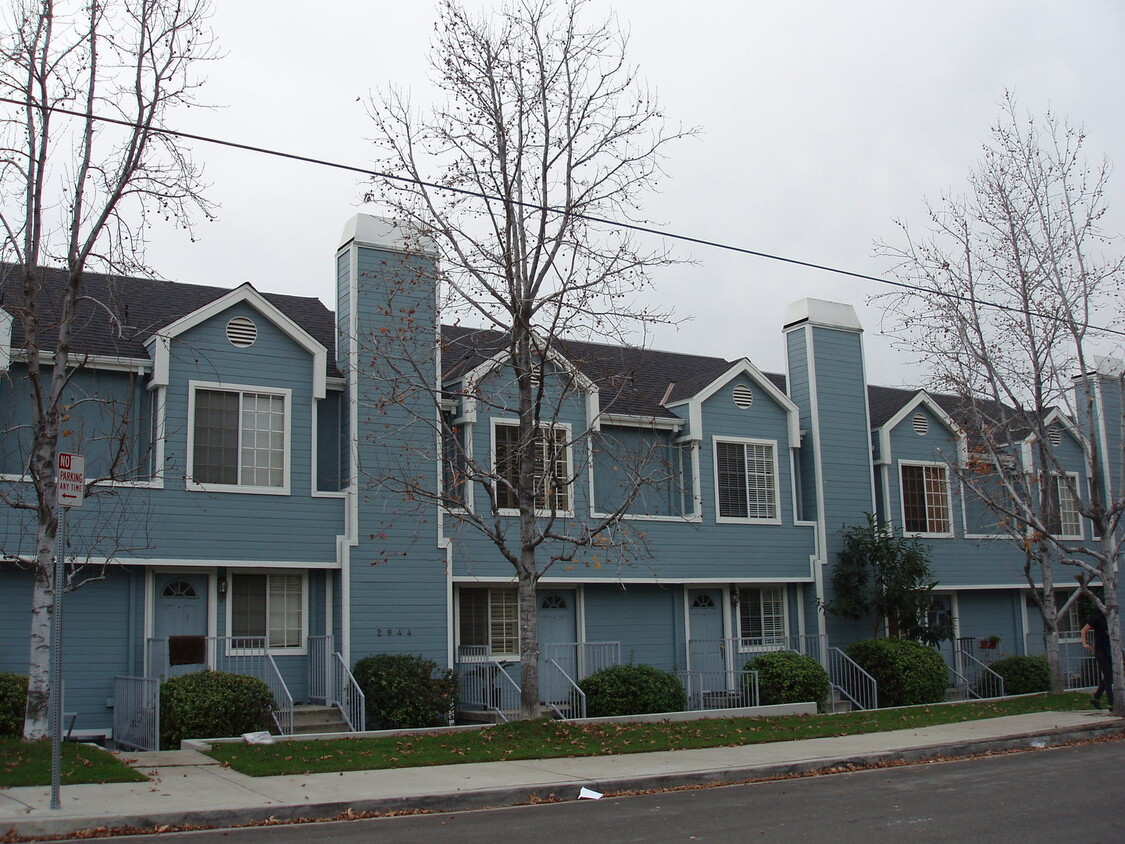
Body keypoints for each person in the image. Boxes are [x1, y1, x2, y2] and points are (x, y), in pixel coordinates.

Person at [1081, 608, 1113, 709]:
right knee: (1108, 678)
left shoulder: (1110, 620)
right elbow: (1084, 630)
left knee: (1109, 676)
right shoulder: (1097, 619)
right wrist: (1085, 643)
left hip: (1109, 651)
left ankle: (1095, 698)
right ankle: (1111, 703)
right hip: (1100, 651)